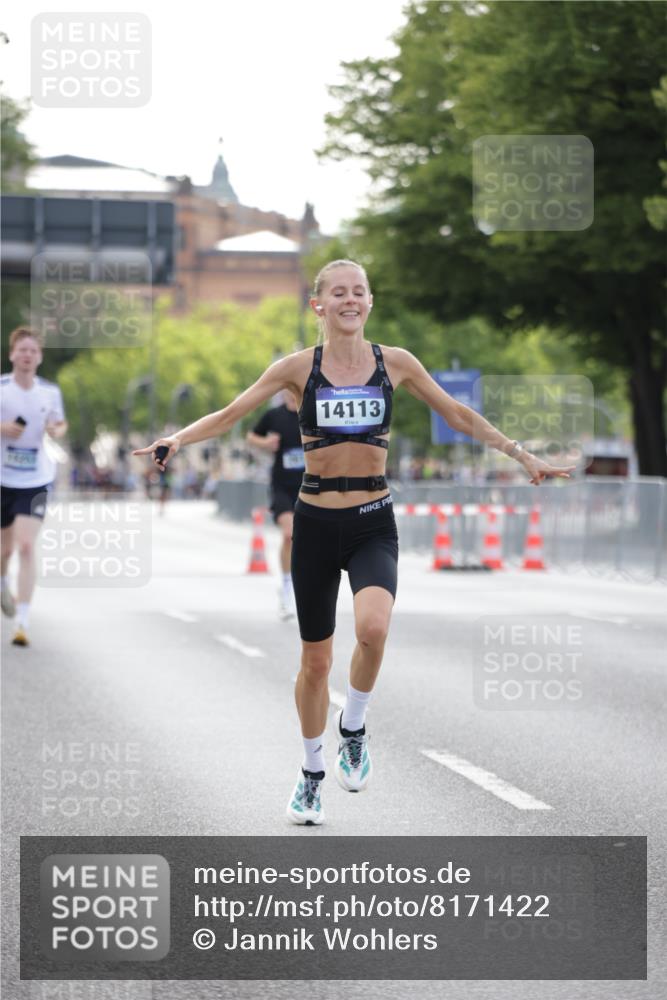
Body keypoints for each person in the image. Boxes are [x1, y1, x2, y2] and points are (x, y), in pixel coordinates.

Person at [133, 259, 573, 825]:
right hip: (315, 521)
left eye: (359, 292)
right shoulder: (297, 369)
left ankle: (355, 725)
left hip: (371, 518)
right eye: (338, 293)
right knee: (315, 664)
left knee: (373, 628)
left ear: (370, 302)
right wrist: (178, 437)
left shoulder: (396, 364)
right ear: (319, 305)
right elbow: (232, 413)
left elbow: (459, 414)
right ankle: (312, 773)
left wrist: (519, 453)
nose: (349, 300)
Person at [1, 328, 68, 647]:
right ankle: (2, 582)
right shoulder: (1, 388)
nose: (27, 355)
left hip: (35, 478)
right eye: (22, 350)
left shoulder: (49, 393)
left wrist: (56, 428)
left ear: (39, 357)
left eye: (33, 350)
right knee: (5, 550)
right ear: (12, 354)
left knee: (26, 546)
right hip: (2, 478)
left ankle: (22, 621)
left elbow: (59, 422)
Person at [246, 390, 303, 620]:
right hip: (282, 486)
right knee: (289, 535)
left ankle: (305, 588)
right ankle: (287, 589)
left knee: (307, 541)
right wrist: (265, 442)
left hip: (310, 486)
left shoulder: (312, 412)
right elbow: (251, 436)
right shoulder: (274, 415)